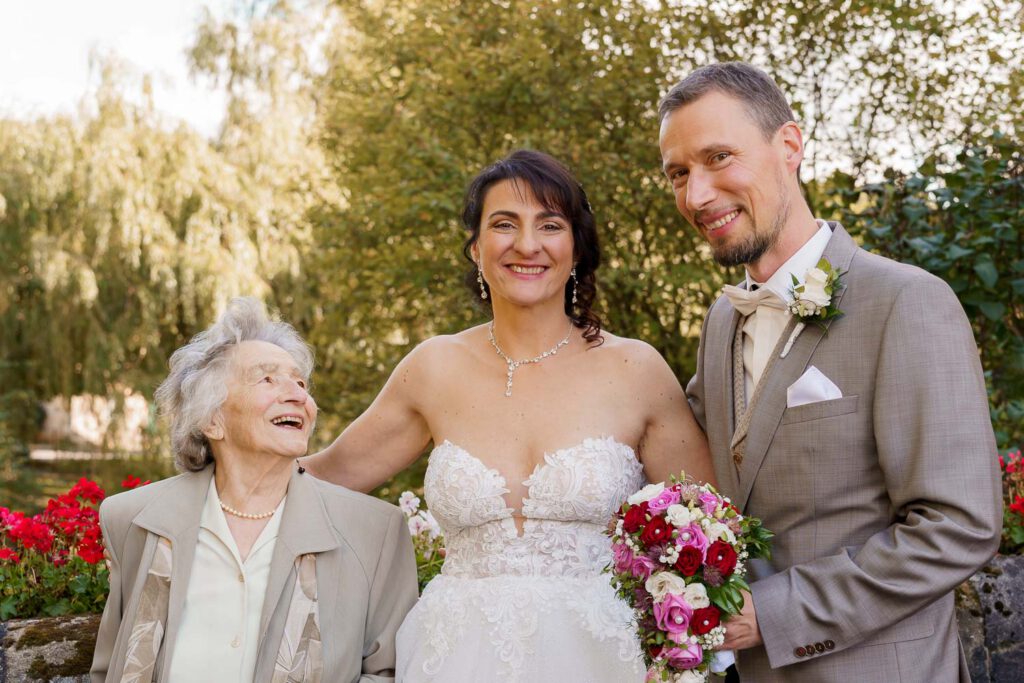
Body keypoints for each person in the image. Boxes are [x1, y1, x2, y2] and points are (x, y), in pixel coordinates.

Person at [302, 149, 714, 682]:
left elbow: (711, 527)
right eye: (504, 224)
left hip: (605, 660)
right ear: (476, 248)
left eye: (549, 224)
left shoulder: (636, 369)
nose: (527, 244)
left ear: (575, 246)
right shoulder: (433, 367)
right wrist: (220, 458)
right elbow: (328, 475)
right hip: (452, 657)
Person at [659, 61, 1003, 682]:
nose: (697, 195)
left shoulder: (905, 302)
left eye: (718, 158)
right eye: (679, 174)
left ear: (788, 146)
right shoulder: (719, 322)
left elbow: (959, 526)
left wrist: (774, 613)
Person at [90, 298, 418, 683]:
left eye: (300, 383)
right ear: (212, 420)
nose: (298, 395)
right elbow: (111, 665)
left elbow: (387, 674)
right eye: (267, 379)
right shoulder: (133, 520)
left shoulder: (374, 532)